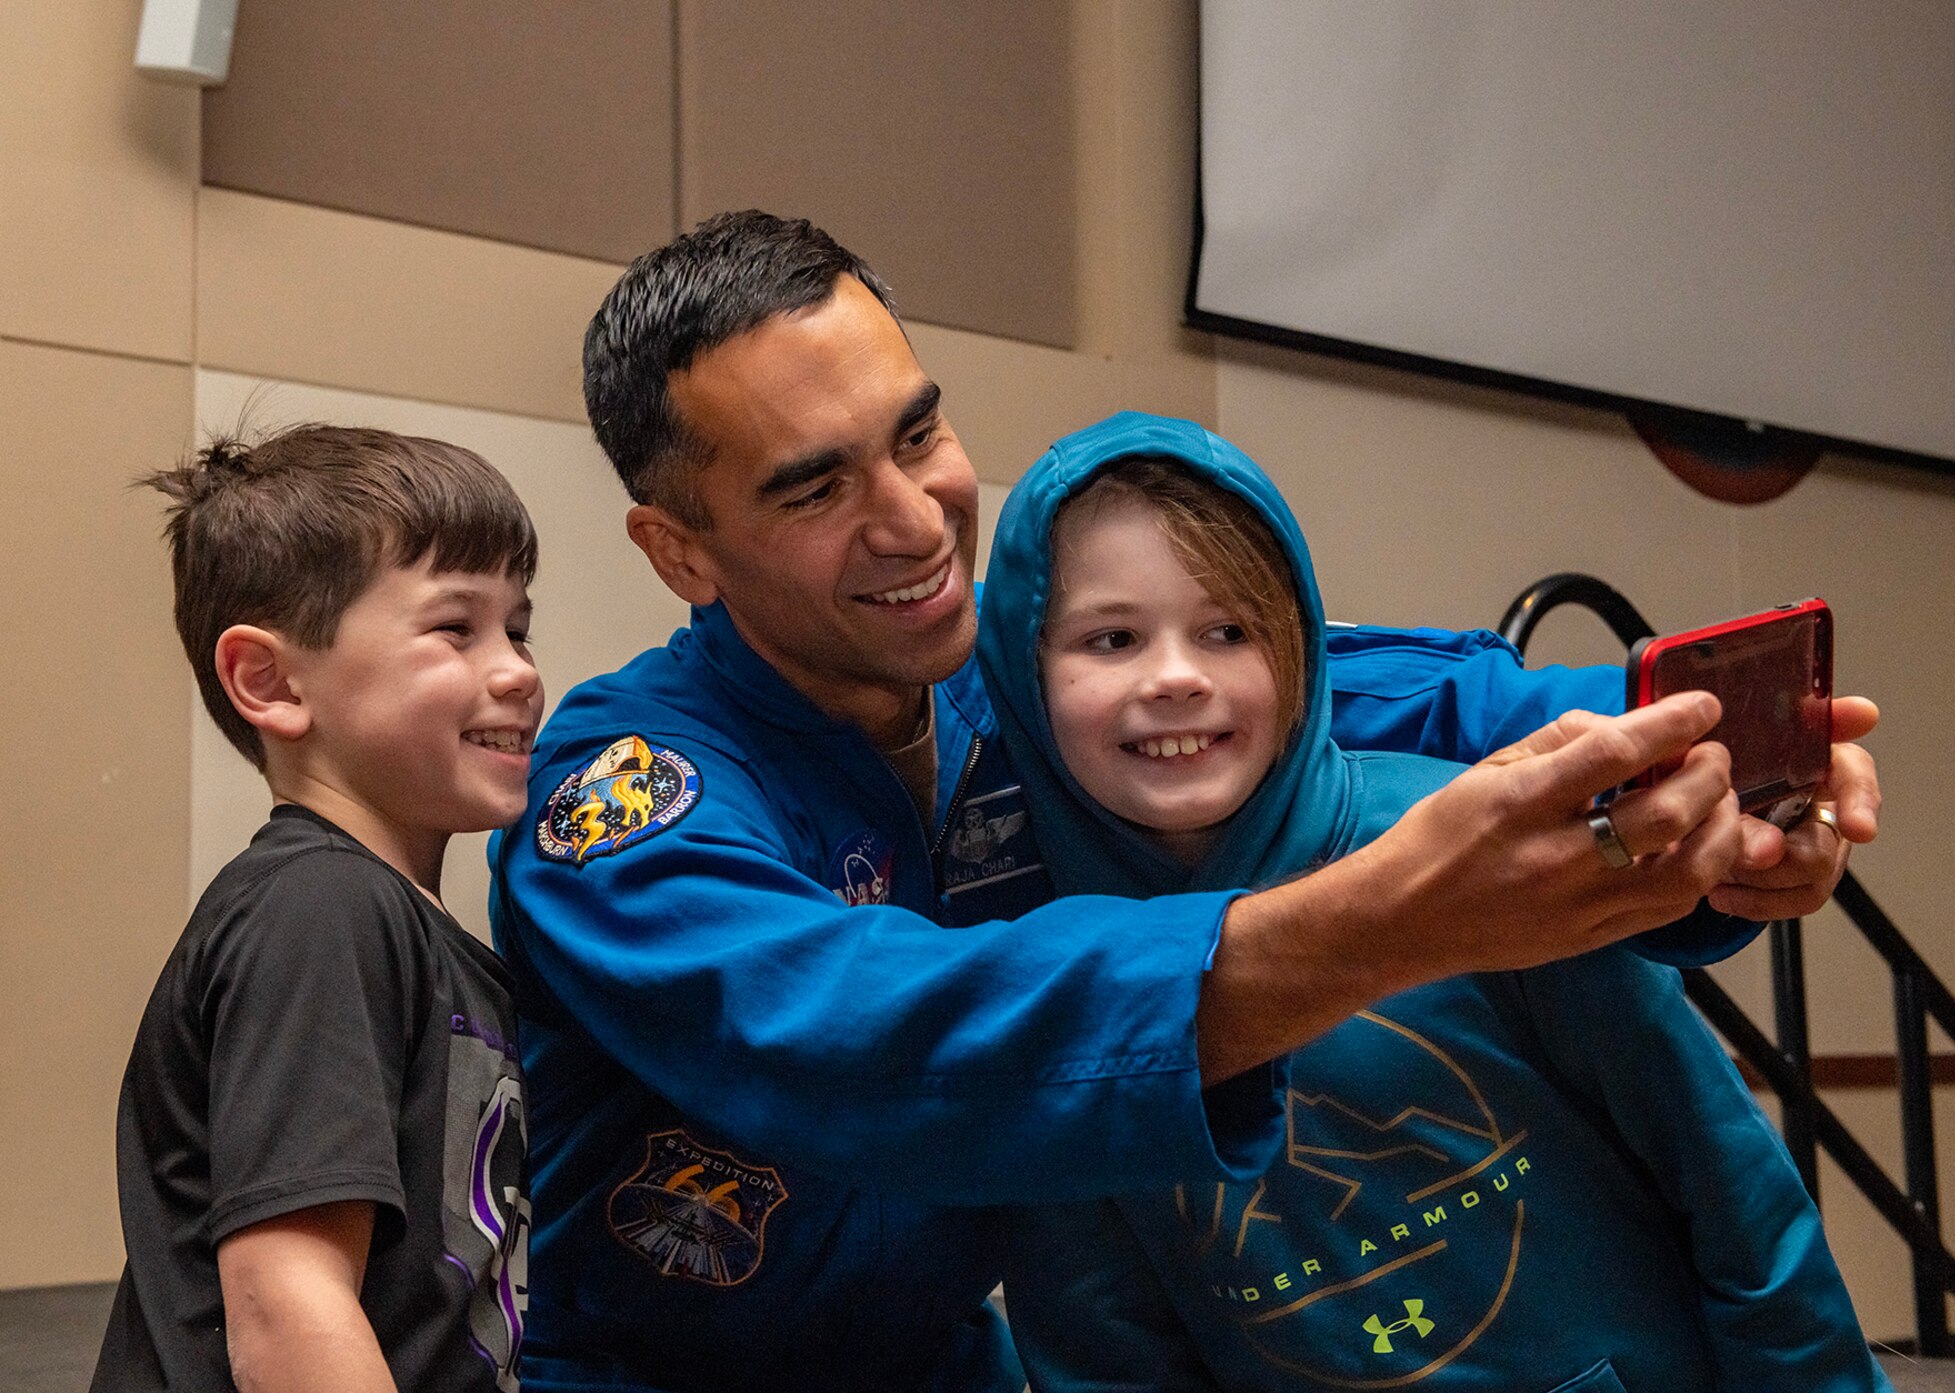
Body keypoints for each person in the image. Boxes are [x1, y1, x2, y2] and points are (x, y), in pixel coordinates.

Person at [490, 211, 1876, 1391]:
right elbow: (861, 1037)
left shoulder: (1020, 680)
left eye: (919, 435)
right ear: (681, 552)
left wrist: (1712, 772)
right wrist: (1379, 924)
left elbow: (1374, 689)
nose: (913, 519)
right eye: (815, 488)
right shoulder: (625, 798)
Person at [979, 412, 1888, 1393]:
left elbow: (1727, 1189)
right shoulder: (1046, 996)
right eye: (1110, 638)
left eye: (1228, 629)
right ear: (1025, 679)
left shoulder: (1470, 848)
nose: (1175, 676)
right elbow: (1102, 1346)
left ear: (1295, 650)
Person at [93, 427, 543, 1392]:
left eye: (519, 625)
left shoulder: (399, 929)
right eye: (455, 628)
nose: (516, 669)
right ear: (271, 680)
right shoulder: (321, 908)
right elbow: (289, 1306)